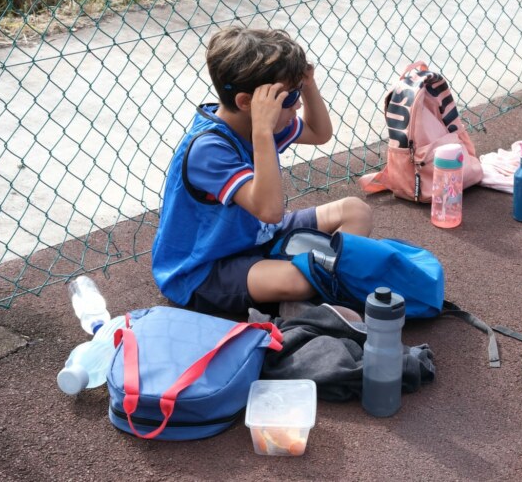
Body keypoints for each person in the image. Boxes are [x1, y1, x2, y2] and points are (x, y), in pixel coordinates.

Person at [152, 27, 373, 314]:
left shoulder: (257, 124)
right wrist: (263, 132)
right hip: (204, 271)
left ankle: (320, 275)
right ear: (247, 103)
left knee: (356, 211)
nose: (297, 106)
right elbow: (269, 211)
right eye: (289, 98)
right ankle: (316, 281)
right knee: (297, 281)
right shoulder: (208, 150)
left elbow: (320, 133)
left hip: (260, 238)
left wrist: (307, 84)